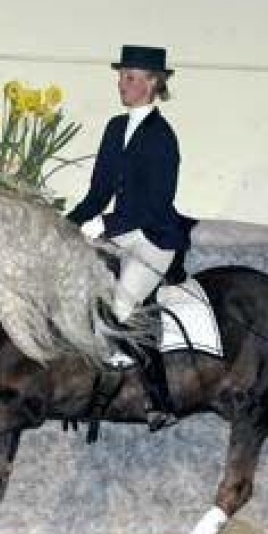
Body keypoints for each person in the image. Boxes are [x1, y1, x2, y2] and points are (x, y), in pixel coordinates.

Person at [66, 44, 195, 431]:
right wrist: (67, 225)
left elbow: (156, 204)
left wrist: (106, 225)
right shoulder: (114, 128)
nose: (122, 84)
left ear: (153, 83)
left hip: (155, 238)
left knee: (121, 308)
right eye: (122, 77)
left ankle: (157, 397)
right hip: (121, 230)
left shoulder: (163, 138)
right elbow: (98, 191)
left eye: (131, 77)